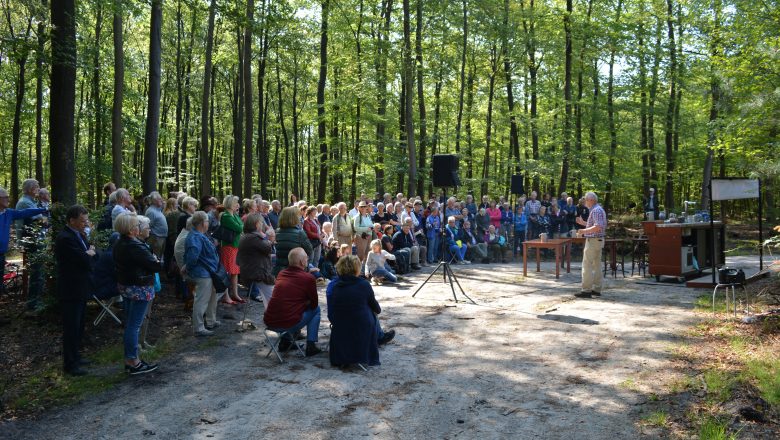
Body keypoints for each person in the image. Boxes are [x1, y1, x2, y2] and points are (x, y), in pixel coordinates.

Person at [113, 213, 161, 375]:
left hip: (127, 286)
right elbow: (155, 265)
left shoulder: (119, 242)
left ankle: (131, 359)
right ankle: (133, 361)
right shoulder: (135, 246)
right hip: (138, 289)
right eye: (135, 226)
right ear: (130, 229)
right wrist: (156, 260)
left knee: (130, 324)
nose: (137, 229)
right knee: (134, 326)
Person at [328, 255, 395, 368]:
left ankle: (378, 336)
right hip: (360, 327)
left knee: (358, 309)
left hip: (339, 326)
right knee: (369, 309)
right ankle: (379, 337)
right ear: (357, 268)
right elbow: (377, 309)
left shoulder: (333, 286)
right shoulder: (363, 284)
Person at [54, 205, 98, 376]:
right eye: (82, 221)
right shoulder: (65, 238)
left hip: (81, 285)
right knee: (71, 326)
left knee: (79, 325)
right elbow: (83, 259)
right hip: (70, 288)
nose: (85, 223)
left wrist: (90, 252)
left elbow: (93, 254)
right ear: (72, 221)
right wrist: (88, 254)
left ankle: (77, 356)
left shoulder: (79, 235)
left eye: (86, 220)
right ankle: (70, 363)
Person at [263, 248, 322, 357]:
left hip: (270, 321)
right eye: (306, 257)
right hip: (287, 324)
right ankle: (311, 345)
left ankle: (285, 342)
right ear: (302, 262)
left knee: (289, 308)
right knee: (316, 310)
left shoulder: (281, 273)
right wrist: (305, 303)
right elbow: (314, 304)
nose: (308, 259)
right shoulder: (308, 278)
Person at [183, 211, 222, 336]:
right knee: (201, 300)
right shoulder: (195, 237)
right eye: (207, 221)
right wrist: (187, 268)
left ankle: (211, 321)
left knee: (212, 297)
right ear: (202, 223)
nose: (208, 223)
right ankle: (199, 328)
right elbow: (193, 257)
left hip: (209, 272)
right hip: (202, 273)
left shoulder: (201, 234)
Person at [237, 213, 275, 304]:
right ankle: (274, 316)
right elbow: (267, 248)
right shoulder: (253, 237)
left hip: (253, 270)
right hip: (258, 273)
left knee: (269, 298)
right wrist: (271, 238)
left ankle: (270, 316)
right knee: (273, 299)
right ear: (257, 224)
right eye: (261, 223)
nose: (262, 224)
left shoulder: (247, 236)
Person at [575, 192, 607, 298]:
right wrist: (583, 223)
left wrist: (583, 231)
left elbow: (597, 227)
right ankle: (597, 289)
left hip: (593, 241)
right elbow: (595, 225)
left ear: (591, 200)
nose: (585, 202)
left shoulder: (596, 210)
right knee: (597, 265)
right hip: (598, 240)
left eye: (586, 200)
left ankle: (586, 290)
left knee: (587, 265)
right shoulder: (598, 209)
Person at [218, 195, 245, 304]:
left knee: (235, 271)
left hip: (235, 247)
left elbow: (242, 225)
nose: (237, 205)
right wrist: (240, 226)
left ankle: (235, 294)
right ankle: (226, 296)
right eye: (235, 203)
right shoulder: (226, 216)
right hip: (228, 247)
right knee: (227, 271)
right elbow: (239, 227)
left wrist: (240, 224)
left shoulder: (234, 215)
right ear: (230, 204)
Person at [273, 206, 313, 276]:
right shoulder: (300, 233)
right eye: (298, 216)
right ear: (294, 218)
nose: (299, 217)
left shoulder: (276, 232)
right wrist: (306, 267)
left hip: (279, 271)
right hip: (295, 271)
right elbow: (309, 251)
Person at [144, 191, 168, 260]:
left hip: (160, 238)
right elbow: (147, 226)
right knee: (155, 259)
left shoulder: (157, 210)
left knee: (159, 258)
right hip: (155, 239)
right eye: (159, 199)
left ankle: (158, 270)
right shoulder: (151, 211)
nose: (162, 200)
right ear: (154, 201)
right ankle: (155, 271)